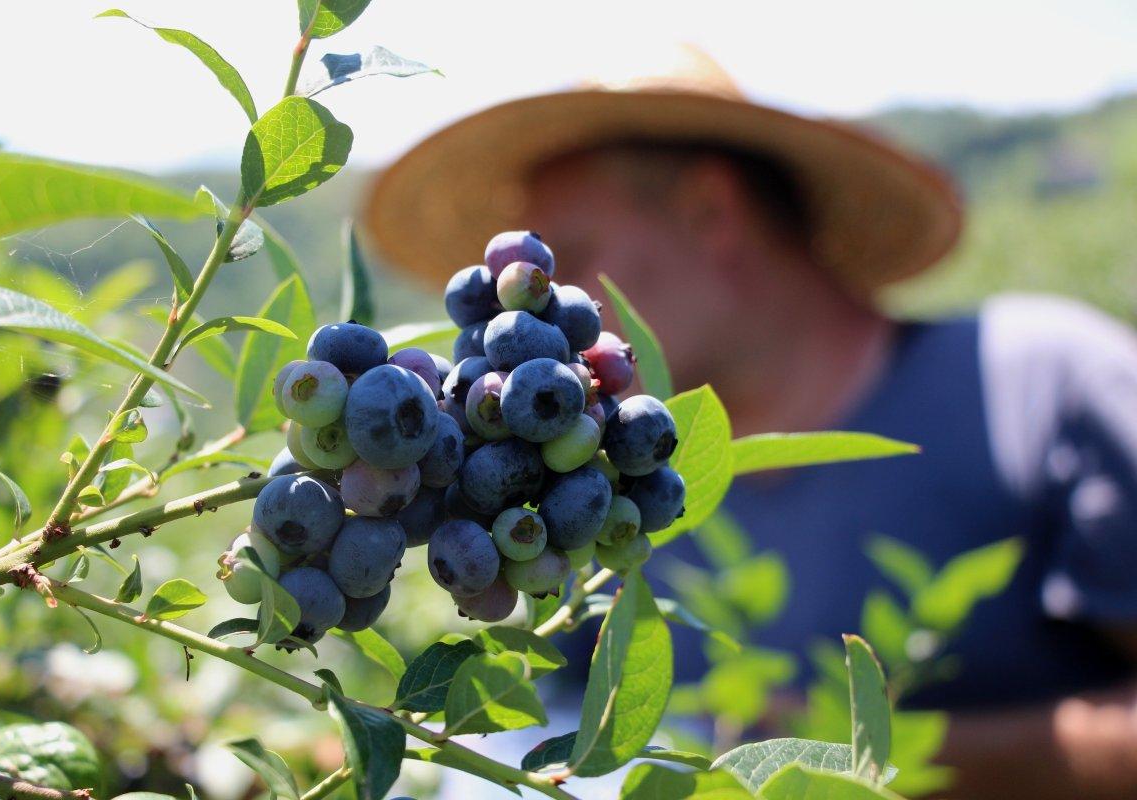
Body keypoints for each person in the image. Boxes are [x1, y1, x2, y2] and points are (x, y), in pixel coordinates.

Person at [366, 45, 1137, 799]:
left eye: (568, 262)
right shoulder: (606, 487)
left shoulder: (1040, 379)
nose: (536, 318)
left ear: (711, 212)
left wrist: (848, 761)